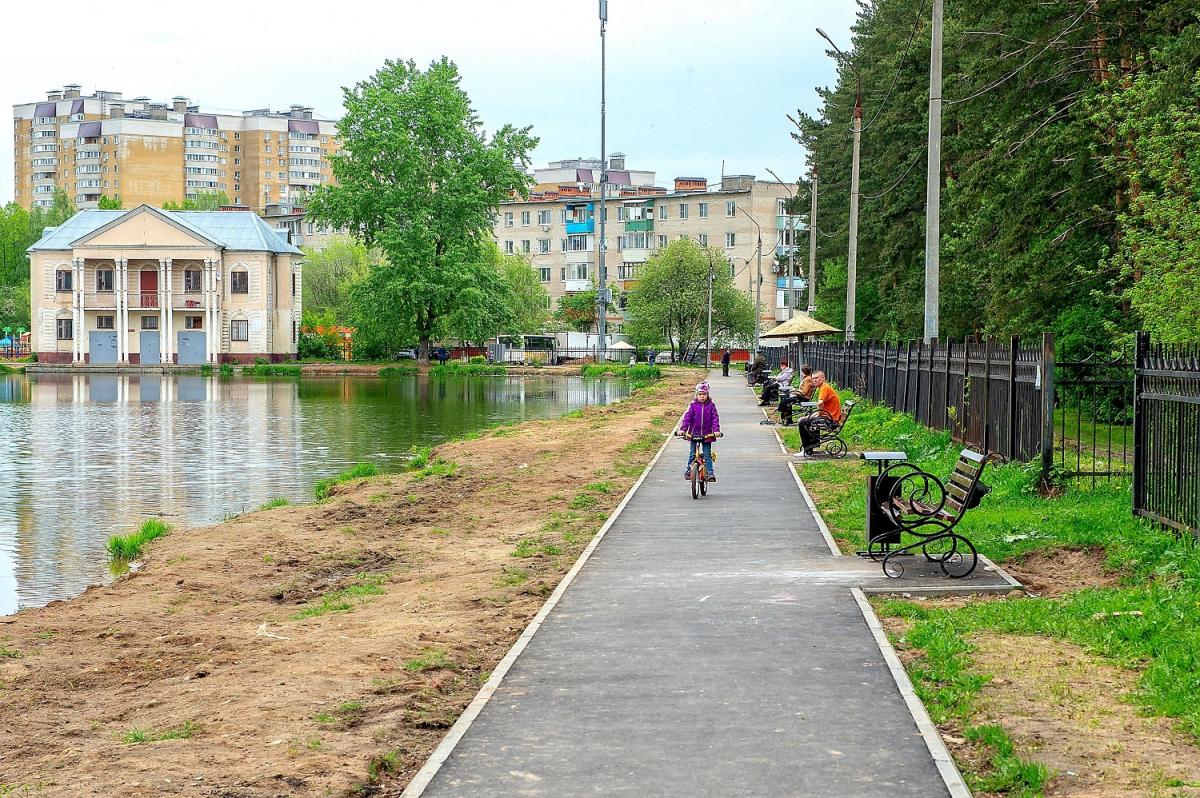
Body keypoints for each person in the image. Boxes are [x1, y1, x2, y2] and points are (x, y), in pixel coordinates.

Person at [677, 381, 722, 481]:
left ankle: (710, 472)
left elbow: (715, 418)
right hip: (694, 434)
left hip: (707, 435)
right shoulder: (693, 406)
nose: (702, 397)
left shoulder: (711, 406)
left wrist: (716, 431)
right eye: (700, 394)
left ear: (708, 394)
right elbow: (687, 419)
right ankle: (689, 470)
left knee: (707, 454)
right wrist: (682, 430)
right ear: (696, 395)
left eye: (704, 394)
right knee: (692, 453)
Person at [794, 371, 842, 458]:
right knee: (807, 420)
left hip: (830, 419)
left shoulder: (824, 388)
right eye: (813, 378)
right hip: (830, 417)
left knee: (802, 422)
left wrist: (817, 414)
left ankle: (807, 450)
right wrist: (815, 415)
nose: (814, 380)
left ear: (823, 378)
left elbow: (820, 403)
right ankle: (812, 446)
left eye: (817, 378)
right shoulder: (824, 387)